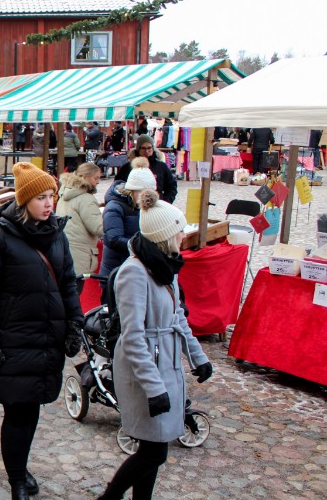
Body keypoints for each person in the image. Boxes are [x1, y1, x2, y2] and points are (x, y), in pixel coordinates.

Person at [0, 162, 83, 500]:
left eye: (52, 196)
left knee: (31, 408)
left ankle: (19, 466)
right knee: (17, 410)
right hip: (13, 339)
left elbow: (67, 282)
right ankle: (17, 479)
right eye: (41, 198)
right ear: (23, 201)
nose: (49, 204)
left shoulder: (56, 234)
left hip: (47, 337)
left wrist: (74, 323)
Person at [97, 190, 213, 500]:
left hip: (166, 366)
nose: (183, 235)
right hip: (144, 372)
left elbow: (178, 318)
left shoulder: (167, 266)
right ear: (164, 235)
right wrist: (154, 387)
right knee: (154, 452)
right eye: (179, 229)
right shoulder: (133, 273)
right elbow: (133, 337)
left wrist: (198, 358)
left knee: (154, 447)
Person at [101, 159, 157, 284]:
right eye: (142, 192)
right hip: (116, 273)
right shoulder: (115, 207)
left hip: (136, 270)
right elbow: (113, 239)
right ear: (132, 190)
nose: (145, 197)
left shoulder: (145, 208)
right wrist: (142, 247)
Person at [55, 163, 104, 294]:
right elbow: (98, 228)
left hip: (64, 250)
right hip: (79, 253)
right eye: (96, 178)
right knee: (74, 295)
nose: (98, 182)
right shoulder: (86, 199)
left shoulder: (65, 193)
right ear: (84, 177)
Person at [115, 135, 178, 203]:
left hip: (156, 205)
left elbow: (171, 186)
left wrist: (166, 202)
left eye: (149, 148)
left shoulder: (161, 166)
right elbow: (118, 186)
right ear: (138, 149)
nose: (146, 151)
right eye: (143, 148)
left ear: (153, 148)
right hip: (133, 207)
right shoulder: (127, 167)